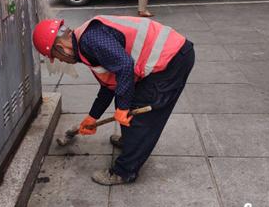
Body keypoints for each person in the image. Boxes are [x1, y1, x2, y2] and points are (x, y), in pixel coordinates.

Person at [32, 16, 195, 186]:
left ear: (60, 48)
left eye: (57, 58)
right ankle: (130, 142)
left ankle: (125, 171)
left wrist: (124, 108)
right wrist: (92, 117)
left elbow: (125, 66)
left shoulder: (90, 41)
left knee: (139, 116)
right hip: (168, 56)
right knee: (124, 97)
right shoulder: (85, 45)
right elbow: (110, 85)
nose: (61, 61)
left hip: (172, 60)